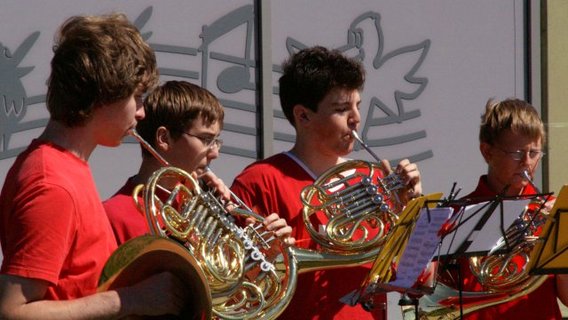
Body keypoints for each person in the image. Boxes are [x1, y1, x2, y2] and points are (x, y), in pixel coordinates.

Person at [0, 13, 188, 319]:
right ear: (106, 92)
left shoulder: (64, 167)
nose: (141, 112)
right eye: (137, 96)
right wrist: (130, 300)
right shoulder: (53, 184)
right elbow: (12, 311)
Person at [230, 46, 422, 319]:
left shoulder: (376, 178)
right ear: (303, 116)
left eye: (357, 106)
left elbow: (415, 278)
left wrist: (410, 213)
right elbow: (237, 286)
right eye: (342, 109)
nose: (356, 119)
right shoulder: (260, 181)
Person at [103, 80, 294, 245]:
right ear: (164, 138)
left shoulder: (201, 208)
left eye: (216, 141)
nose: (215, 153)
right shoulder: (114, 215)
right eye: (205, 139)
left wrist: (259, 255)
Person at [433, 98, 568, 319]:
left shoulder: (550, 212)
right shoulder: (459, 215)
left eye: (534, 153)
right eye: (516, 153)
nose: (526, 162)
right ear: (487, 152)